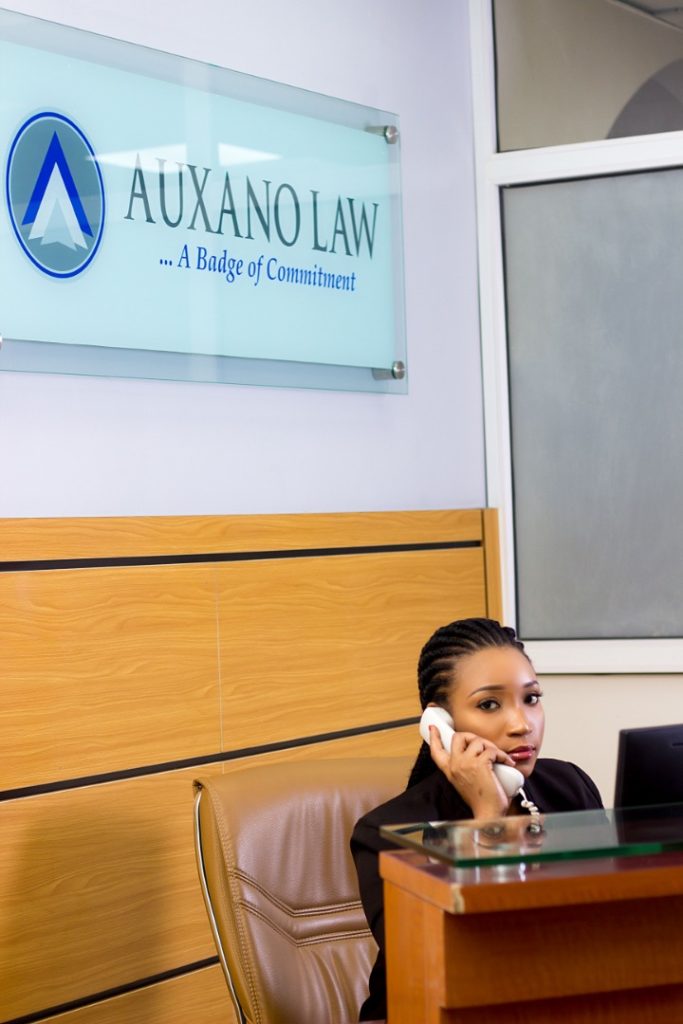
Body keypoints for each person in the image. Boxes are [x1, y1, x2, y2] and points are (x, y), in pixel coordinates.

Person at [350, 617, 603, 1022]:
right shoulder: (391, 832)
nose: (522, 724)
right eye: (489, 704)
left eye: (532, 698)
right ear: (440, 725)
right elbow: (452, 962)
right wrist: (488, 816)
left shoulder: (568, 786)